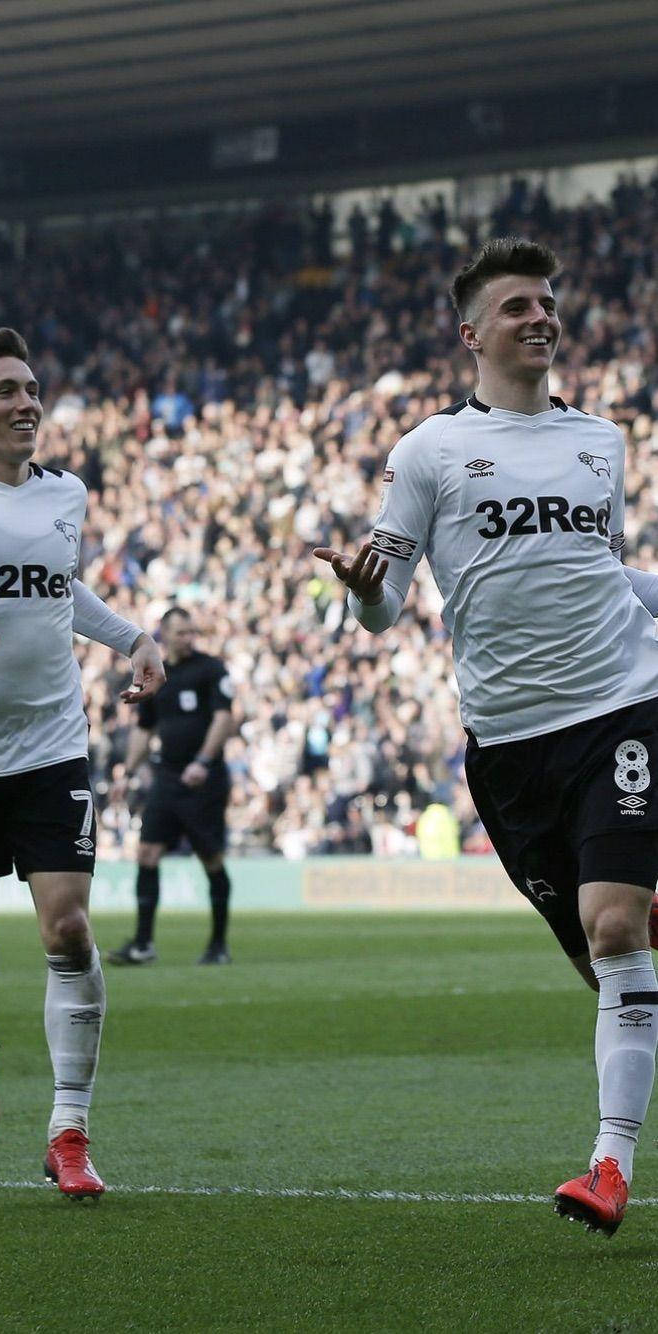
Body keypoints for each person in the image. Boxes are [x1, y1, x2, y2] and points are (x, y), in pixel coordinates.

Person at [315, 236, 658, 1237]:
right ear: (472, 332)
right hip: (507, 748)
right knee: (605, 958)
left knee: (614, 924)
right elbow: (382, 609)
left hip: (622, 708)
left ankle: (609, 1164)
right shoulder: (425, 452)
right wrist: (368, 597)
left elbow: (601, 572)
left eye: (547, 301)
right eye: (517, 306)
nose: (540, 315)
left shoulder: (602, 441)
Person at [0, 328, 165, 1199]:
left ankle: (69, 1131)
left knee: (67, 928)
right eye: (9, 391)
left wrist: (132, 637)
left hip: (53, 745)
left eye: (33, 389)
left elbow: (62, 589)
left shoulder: (67, 493)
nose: (29, 404)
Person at [107, 607, 236, 967]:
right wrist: (128, 773)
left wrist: (203, 762)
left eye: (191, 631)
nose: (188, 638)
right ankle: (143, 944)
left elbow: (225, 719)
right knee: (147, 854)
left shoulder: (211, 670)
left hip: (203, 782)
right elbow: (144, 729)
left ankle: (218, 945)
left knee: (211, 859)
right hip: (167, 779)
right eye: (180, 632)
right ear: (163, 634)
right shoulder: (157, 675)